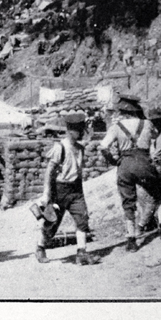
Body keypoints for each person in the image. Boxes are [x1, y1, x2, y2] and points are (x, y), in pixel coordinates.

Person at [98, 95, 161, 253]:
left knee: (128, 203)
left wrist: (113, 161)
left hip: (125, 165)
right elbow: (155, 136)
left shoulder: (117, 126)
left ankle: (132, 239)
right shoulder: (147, 123)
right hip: (144, 162)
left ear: (123, 111)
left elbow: (102, 146)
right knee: (159, 192)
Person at [35, 113, 98, 265]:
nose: (81, 133)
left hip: (76, 190)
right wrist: (46, 194)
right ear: (70, 130)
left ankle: (81, 253)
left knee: (82, 219)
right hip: (60, 189)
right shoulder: (60, 147)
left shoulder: (80, 148)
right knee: (52, 223)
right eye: (78, 130)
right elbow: (49, 171)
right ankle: (40, 247)